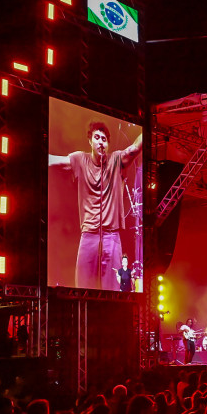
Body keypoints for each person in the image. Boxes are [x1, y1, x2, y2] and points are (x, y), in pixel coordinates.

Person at [50, 121, 142, 290]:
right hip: (88, 236)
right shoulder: (80, 159)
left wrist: (149, 125)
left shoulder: (116, 159)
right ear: (90, 142)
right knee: (83, 288)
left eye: (104, 139)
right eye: (97, 138)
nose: (101, 142)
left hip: (112, 237)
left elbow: (136, 147)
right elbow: (53, 161)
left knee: (114, 289)